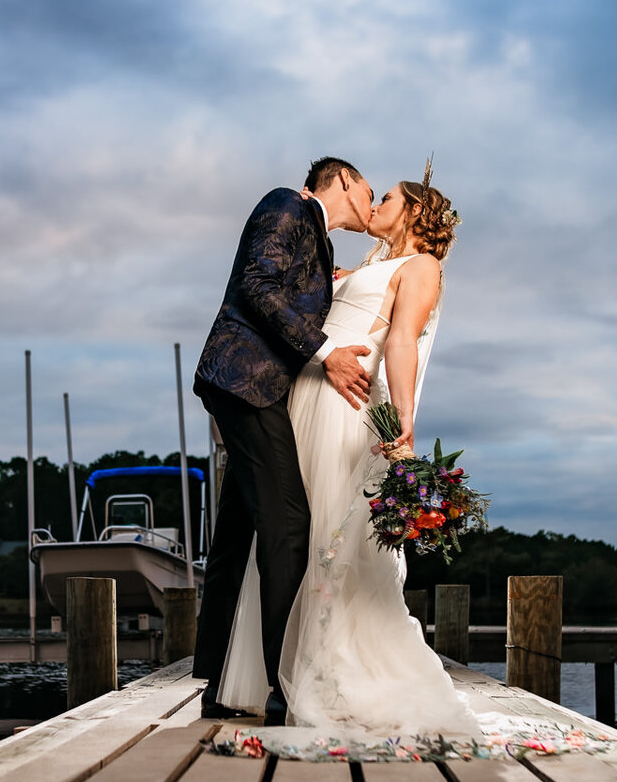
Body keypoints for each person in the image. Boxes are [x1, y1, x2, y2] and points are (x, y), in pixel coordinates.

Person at [216, 162, 485, 734]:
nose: (376, 201)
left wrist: (404, 420)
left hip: (345, 406)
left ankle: (329, 671)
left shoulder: (422, 265)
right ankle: (278, 672)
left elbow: (403, 340)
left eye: (387, 195)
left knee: (323, 536)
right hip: (307, 397)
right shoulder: (368, 262)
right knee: (289, 530)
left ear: (413, 211)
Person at [191, 157, 379, 725]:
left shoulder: (318, 243)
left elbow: (296, 289)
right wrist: (326, 353)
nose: (373, 200)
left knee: (239, 528)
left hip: (254, 388)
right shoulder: (288, 203)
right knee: (289, 523)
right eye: (371, 188)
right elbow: (257, 284)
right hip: (244, 381)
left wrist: (342, 283)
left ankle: (220, 682)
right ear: (343, 179)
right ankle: (283, 684)